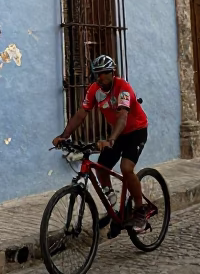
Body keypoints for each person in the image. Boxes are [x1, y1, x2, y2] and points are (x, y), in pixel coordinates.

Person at [53, 55, 151, 230]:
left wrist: (111, 140)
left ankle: (139, 209)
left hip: (136, 131)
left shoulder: (123, 88)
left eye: (105, 73)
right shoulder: (94, 90)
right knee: (101, 169)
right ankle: (114, 208)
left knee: (126, 169)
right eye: (98, 73)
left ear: (112, 73)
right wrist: (64, 135)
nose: (102, 77)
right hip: (118, 134)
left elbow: (122, 116)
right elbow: (81, 114)